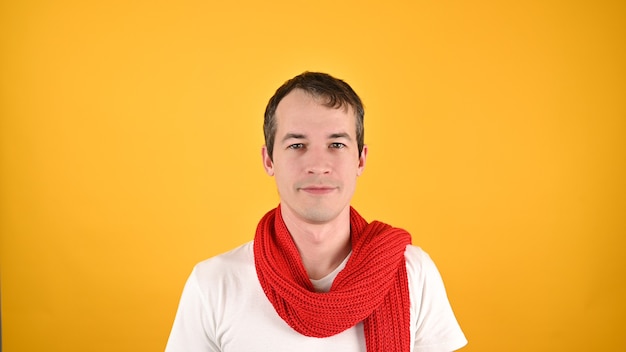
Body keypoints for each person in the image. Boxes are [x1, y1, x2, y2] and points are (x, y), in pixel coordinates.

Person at [165, 72, 467, 352]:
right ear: (269, 160)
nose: (318, 164)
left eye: (336, 144)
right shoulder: (213, 283)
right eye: (297, 145)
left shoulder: (412, 272)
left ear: (360, 160)